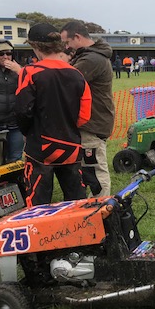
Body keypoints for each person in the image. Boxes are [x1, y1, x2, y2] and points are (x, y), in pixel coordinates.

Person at [15, 23, 92, 206]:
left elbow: (22, 112)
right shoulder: (77, 74)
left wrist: (28, 133)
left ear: (35, 46)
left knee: (37, 202)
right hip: (71, 146)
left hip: (40, 148)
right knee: (76, 201)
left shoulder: (29, 73)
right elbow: (84, 115)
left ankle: (40, 234)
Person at [60, 21, 115, 198]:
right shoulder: (90, 56)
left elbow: (64, 82)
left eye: (67, 43)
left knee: (95, 172)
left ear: (77, 37)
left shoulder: (91, 59)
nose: (67, 47)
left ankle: (101, 209)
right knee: (88, 168)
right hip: (91, 121)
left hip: (92, 123)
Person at [0, 40, 24, 163]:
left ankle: (15, 182)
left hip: (15, 123)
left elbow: (32, 84)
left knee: (15, 160)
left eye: (8, 53)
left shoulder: (17, 71)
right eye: (1, 53)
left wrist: (20, 71)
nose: (5, 57)